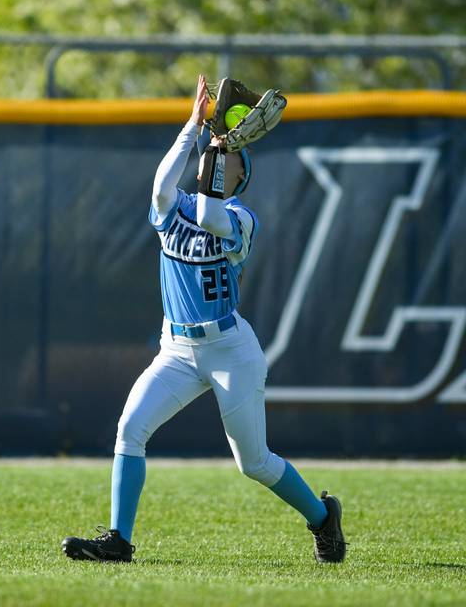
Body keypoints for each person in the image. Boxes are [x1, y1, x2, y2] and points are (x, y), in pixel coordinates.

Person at [61, 74, 346, 564]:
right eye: (216, 154)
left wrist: (218, 150)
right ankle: (119, 540)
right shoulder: (178, 206)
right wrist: (193, 127)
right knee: (130, 429)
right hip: (176, 350)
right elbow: (159, 187)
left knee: (253, 462)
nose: (218, 154)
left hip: (230, 351)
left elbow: (213, 218)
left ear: (240, 175)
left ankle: (324, 519)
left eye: (229, 157)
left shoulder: (240, 218)